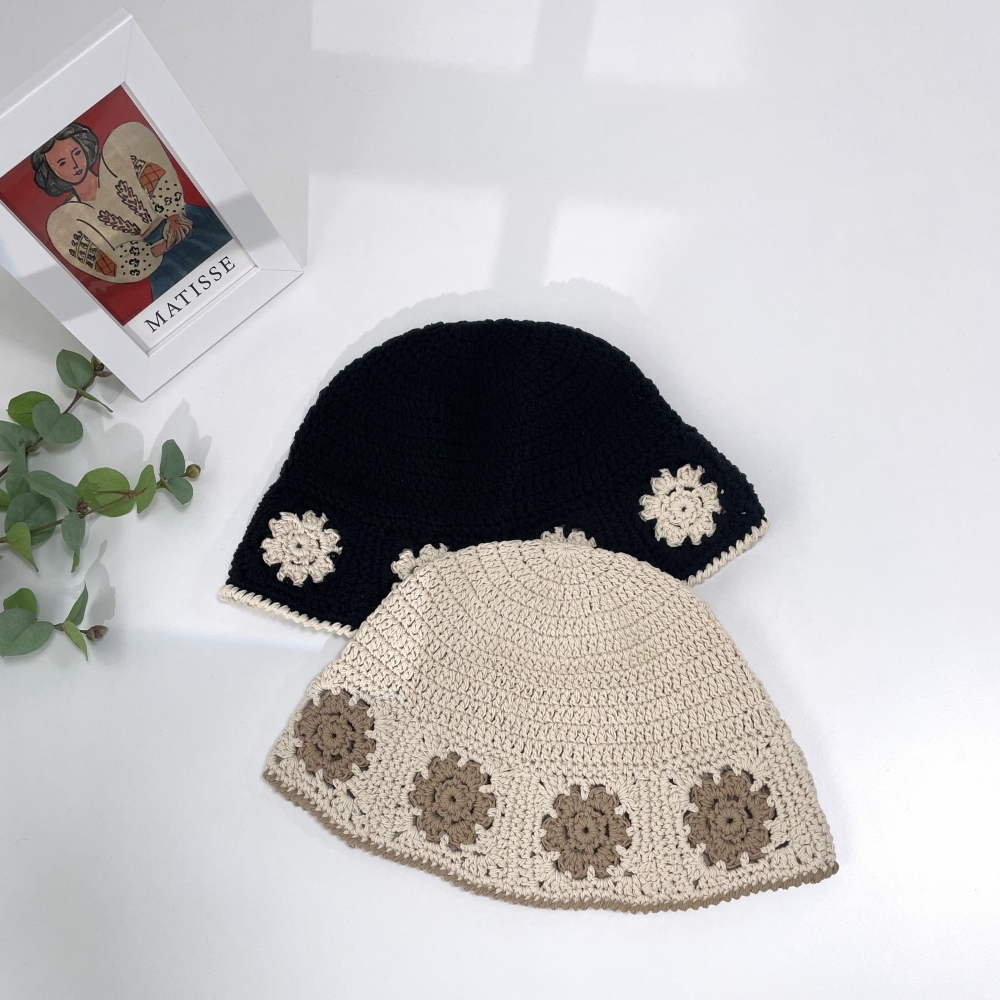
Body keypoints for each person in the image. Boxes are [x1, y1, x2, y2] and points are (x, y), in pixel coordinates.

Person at [31, 121, 231, 298]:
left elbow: (157, 174)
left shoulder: (118, 153)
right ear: (51, 172)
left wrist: (174, 215)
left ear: (85, 147)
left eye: (76, 153)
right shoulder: (65, 220)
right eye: (62, 163)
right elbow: (111, 266)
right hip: (160, 261)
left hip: (187, 223)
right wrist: (161, 246)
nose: (75, 165)